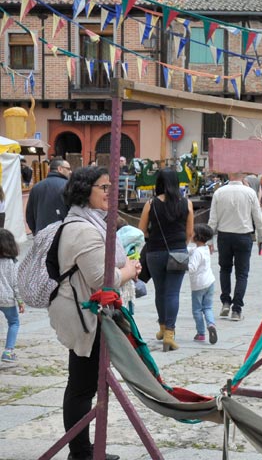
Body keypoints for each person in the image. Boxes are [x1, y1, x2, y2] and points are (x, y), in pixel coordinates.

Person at [50, 166, 141, 460]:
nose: (109, 192)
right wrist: (129, 270)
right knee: (82, 385)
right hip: (84, 314)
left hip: (87, 310)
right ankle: (80, 452)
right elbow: (104, 279)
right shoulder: (83, 228)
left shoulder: (90, 222)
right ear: (84, 190)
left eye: (110, 187)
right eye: (103, 187)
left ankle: (84, 449)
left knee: (84, 383)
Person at [138, 168, 194, 352]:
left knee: (160, 292)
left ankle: (162, 327)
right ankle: (170, 333)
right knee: (172, 293)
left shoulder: (150, 204)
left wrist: (152, 237)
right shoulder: (186, 204)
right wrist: (180, 243)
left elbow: (142, 230)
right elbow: (189, 233)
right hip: (177, 251)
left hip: (154, 252)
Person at [209, 172, 262, 322]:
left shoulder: (219, 192)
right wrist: (261, 237)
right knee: (242, 273)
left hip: (224, 235)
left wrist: (209, 241)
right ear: (243, 177)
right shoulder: (250, 193)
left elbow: (212, 220)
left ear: (229, 175)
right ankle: (237, 309)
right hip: (243, 235)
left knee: (225, 269)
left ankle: (226, 301)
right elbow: (258, 218)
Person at [188, 223, 217, 344]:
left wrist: (181, 265)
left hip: (198, 285)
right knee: (208, 307)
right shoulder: (205, 249)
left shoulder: (196, 253)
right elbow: (190, 250)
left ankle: (201, 333)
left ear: (197, 237)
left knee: (197, 310)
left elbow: (192, 268)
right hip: (210, 282)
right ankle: (211, 324)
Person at [26, 157, 72, 233]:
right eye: (68, 169)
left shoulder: (36, 187)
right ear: (60, 169)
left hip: (41, 233)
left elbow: (29, 215)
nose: (70, 171)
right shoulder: (68, 186)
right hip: (62, 233)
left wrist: (35, 232)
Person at [0, 228, 23, 363]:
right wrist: (20, 301)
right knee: (14, 322)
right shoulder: (13, 263)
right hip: (7, 299)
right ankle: (8, 352)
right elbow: (16, 284)